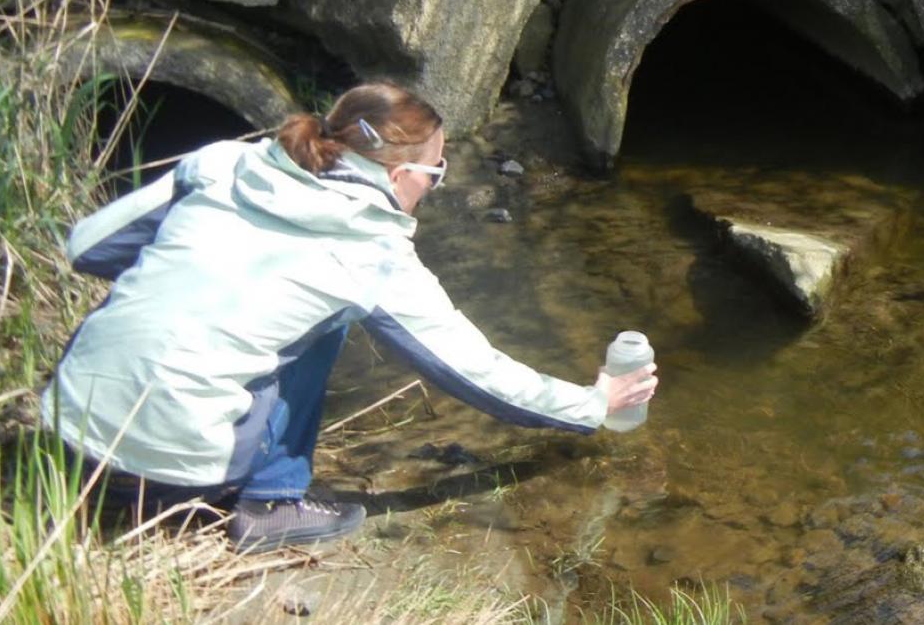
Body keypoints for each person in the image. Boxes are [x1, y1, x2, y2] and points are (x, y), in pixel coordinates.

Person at [42, 81, 658, 553]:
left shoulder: (225, 163)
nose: (433, 190)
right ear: (401, 174)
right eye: (436, 176)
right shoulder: (372, 253)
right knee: (331, 321)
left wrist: (193, 279)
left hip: (62, 439)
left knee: (156, 285)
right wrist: (592, 405)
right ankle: (270, 505)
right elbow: (475, 373)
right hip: (168, 479)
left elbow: (89, 248)